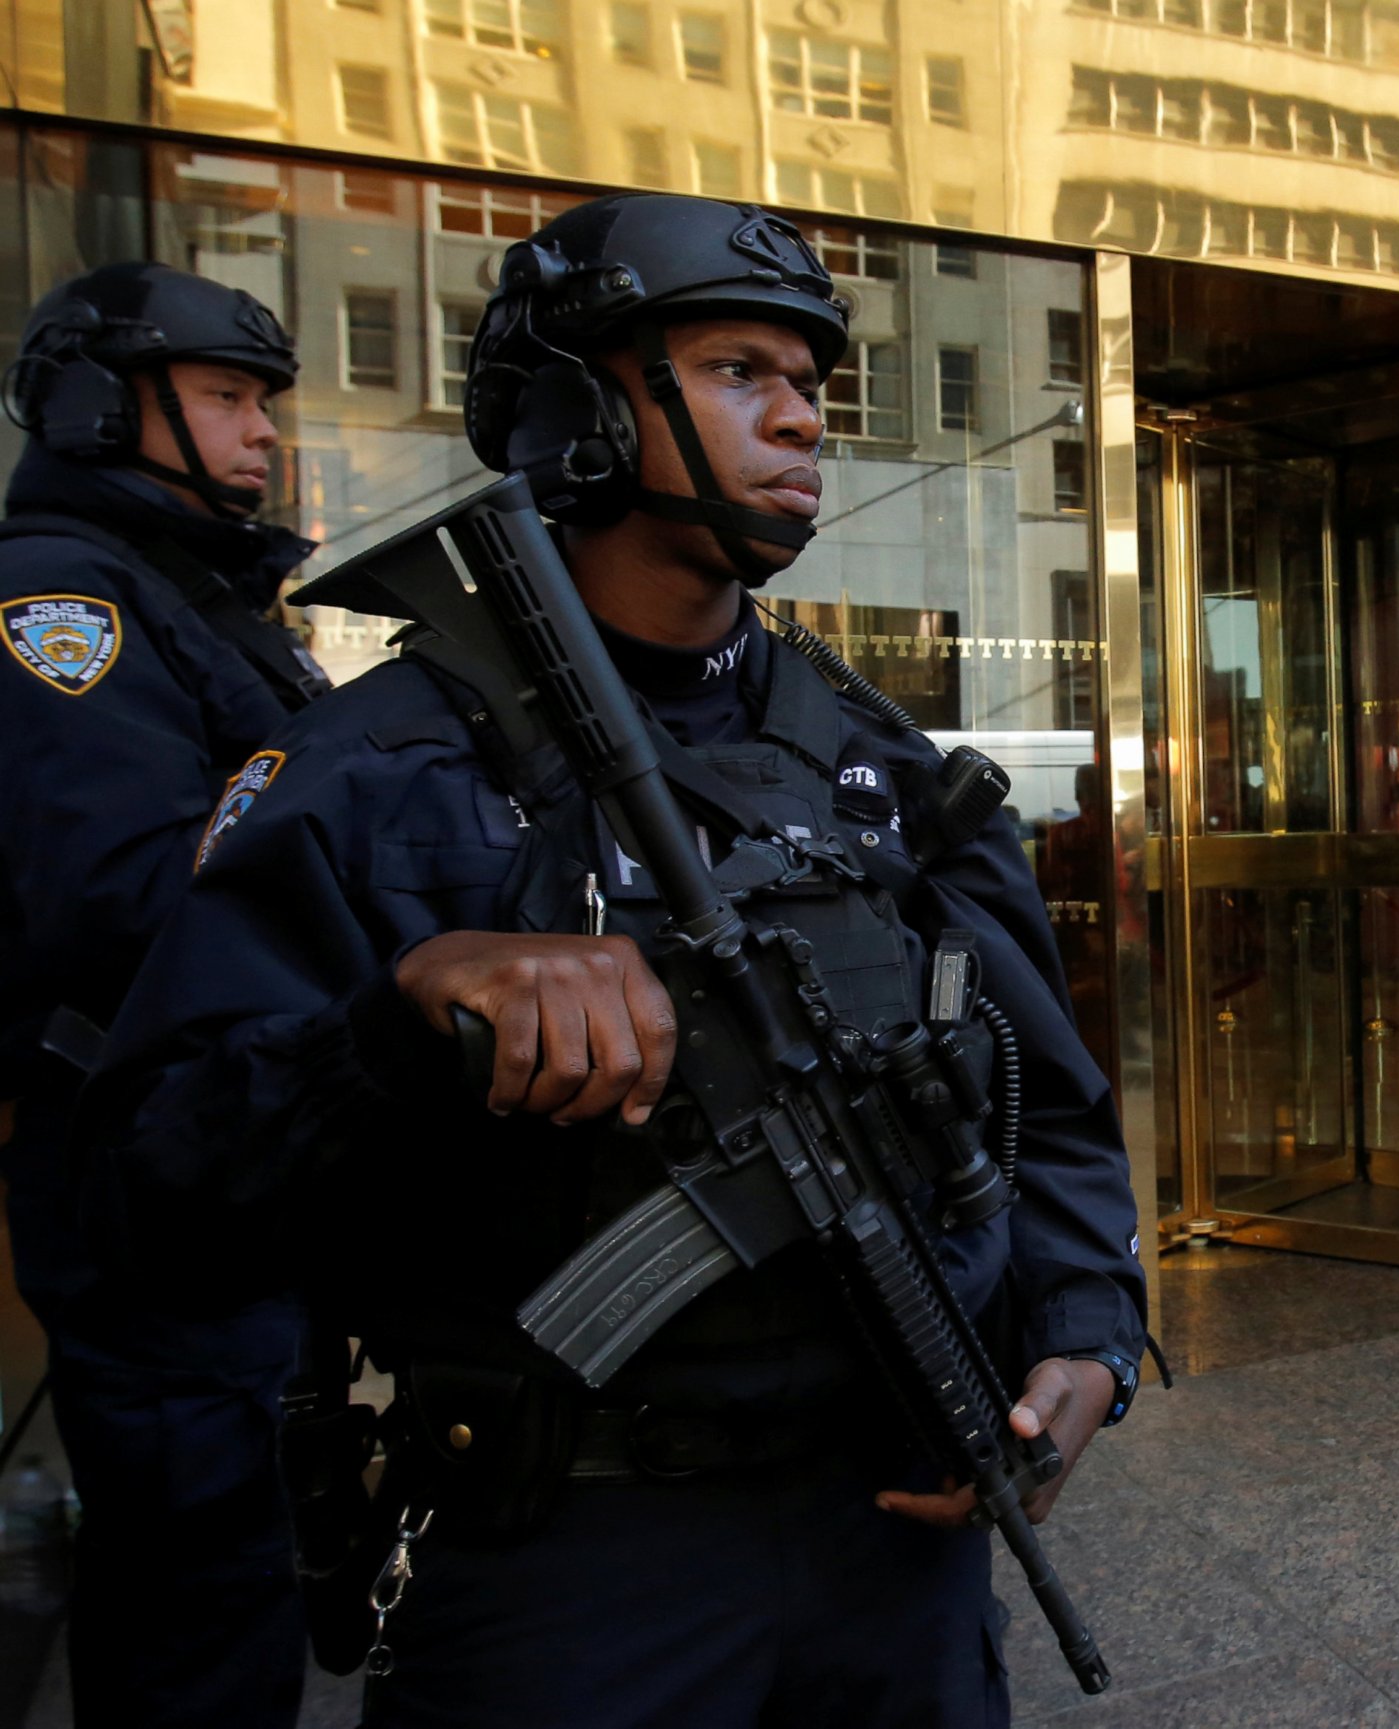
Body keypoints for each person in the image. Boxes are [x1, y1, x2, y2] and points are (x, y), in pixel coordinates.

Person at [80, 194, 1146, 1726]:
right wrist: (405, 1017)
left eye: (811, 383)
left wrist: (1085, 1337)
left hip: (898, 1524)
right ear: (582, 408)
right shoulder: (375, 770)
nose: (800, 419)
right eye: (735, 370)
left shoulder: (874, 758)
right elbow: (149, 1184)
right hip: (572, 1558)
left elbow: (1039, 1090)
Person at [0, 262, 326, 1726]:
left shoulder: (202, 599)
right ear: (95, 406)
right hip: (152, 1166)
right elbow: (129, 895)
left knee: (245, 1549)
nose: (261, 434)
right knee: (197, 1577)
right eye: (224, 398)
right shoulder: (60, 602)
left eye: (262, 401)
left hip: (240, 1148)